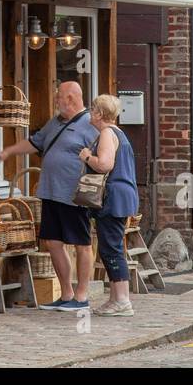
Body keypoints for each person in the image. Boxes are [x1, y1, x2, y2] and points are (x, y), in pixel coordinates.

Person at [0, 80, 95, 311]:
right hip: (50, 193)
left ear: (72, 98)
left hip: (74, 196)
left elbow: (103, 157)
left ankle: (82, 296)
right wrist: (8, 152)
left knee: (81, 244)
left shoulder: (90, 124)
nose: (56, 100)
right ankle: (66, 294)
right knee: (52, 242)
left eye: (59, 96)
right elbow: (35, 142)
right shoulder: (55, 122)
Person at [78, 94, 139, 317]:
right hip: (122, 196)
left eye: (93, 108)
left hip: (112, 198)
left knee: (111, 249)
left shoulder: (106, 133)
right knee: (111, 247)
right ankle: (115, 299)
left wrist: (86, 157)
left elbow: (104, 165)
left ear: (99, 114)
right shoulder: (119, 133)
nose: (90, 111)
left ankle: (122, 300)